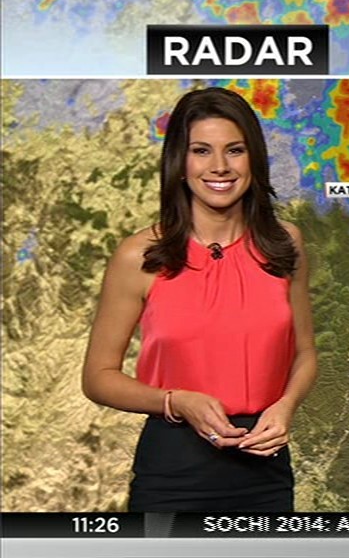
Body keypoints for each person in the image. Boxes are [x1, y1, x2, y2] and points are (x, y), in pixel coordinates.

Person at [82, 87, 317, 512]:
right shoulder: (139, 256)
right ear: (180, 161)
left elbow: (304, 354)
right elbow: (98, 377)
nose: (220, 166)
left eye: (235, 150)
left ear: (254, 159)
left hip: (265, 472)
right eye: (201, 151)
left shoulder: (285, 245)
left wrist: (285, 407)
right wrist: (175, 401)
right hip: (173, 475)